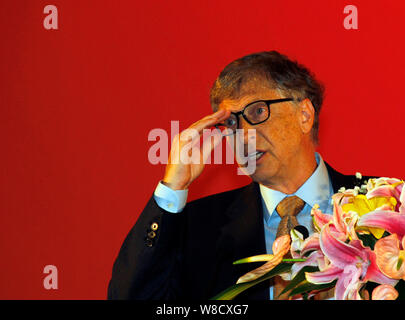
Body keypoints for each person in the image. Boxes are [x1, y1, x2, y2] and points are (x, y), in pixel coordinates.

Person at [107, 51, 368, 300]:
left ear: (304, 115)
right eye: (231, 123)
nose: (243, 136)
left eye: (257, 112)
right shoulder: (201, 228)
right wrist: (173, 188)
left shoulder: (386, 206)